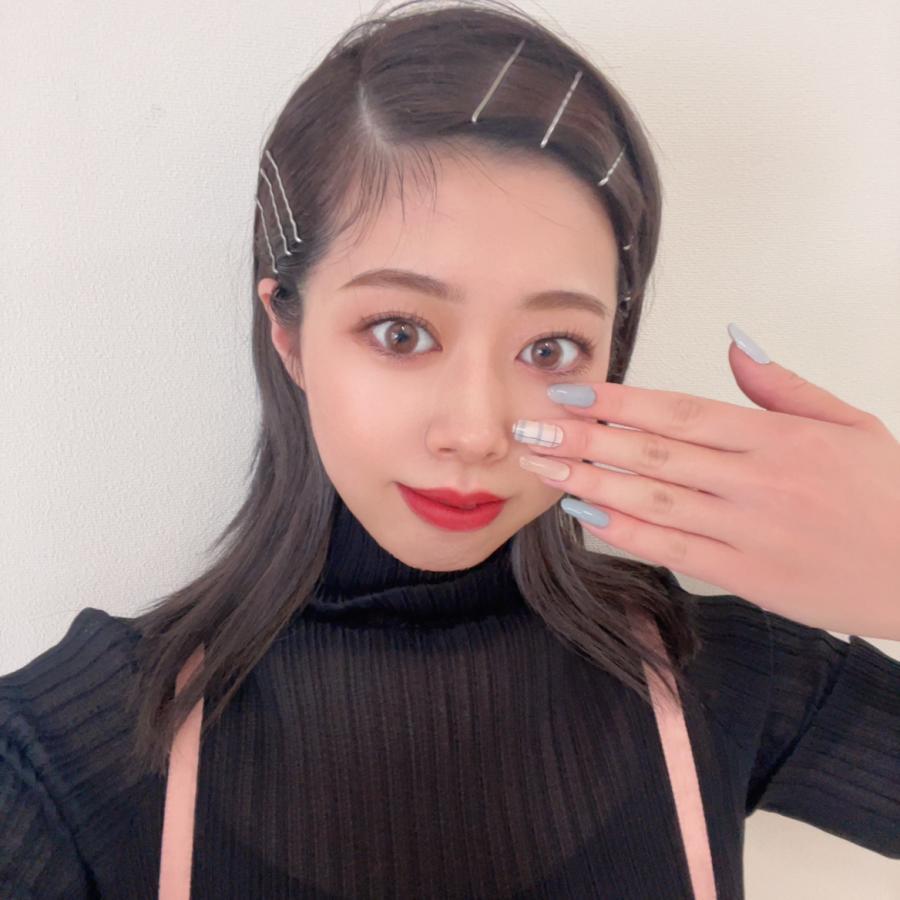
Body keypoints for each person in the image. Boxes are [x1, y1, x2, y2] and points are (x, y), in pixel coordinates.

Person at [1, 1, 897, 897]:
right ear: (289, 332)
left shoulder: (720, 674)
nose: (475, 433)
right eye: (401, 332)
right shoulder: (75, 751)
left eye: (551, 348)